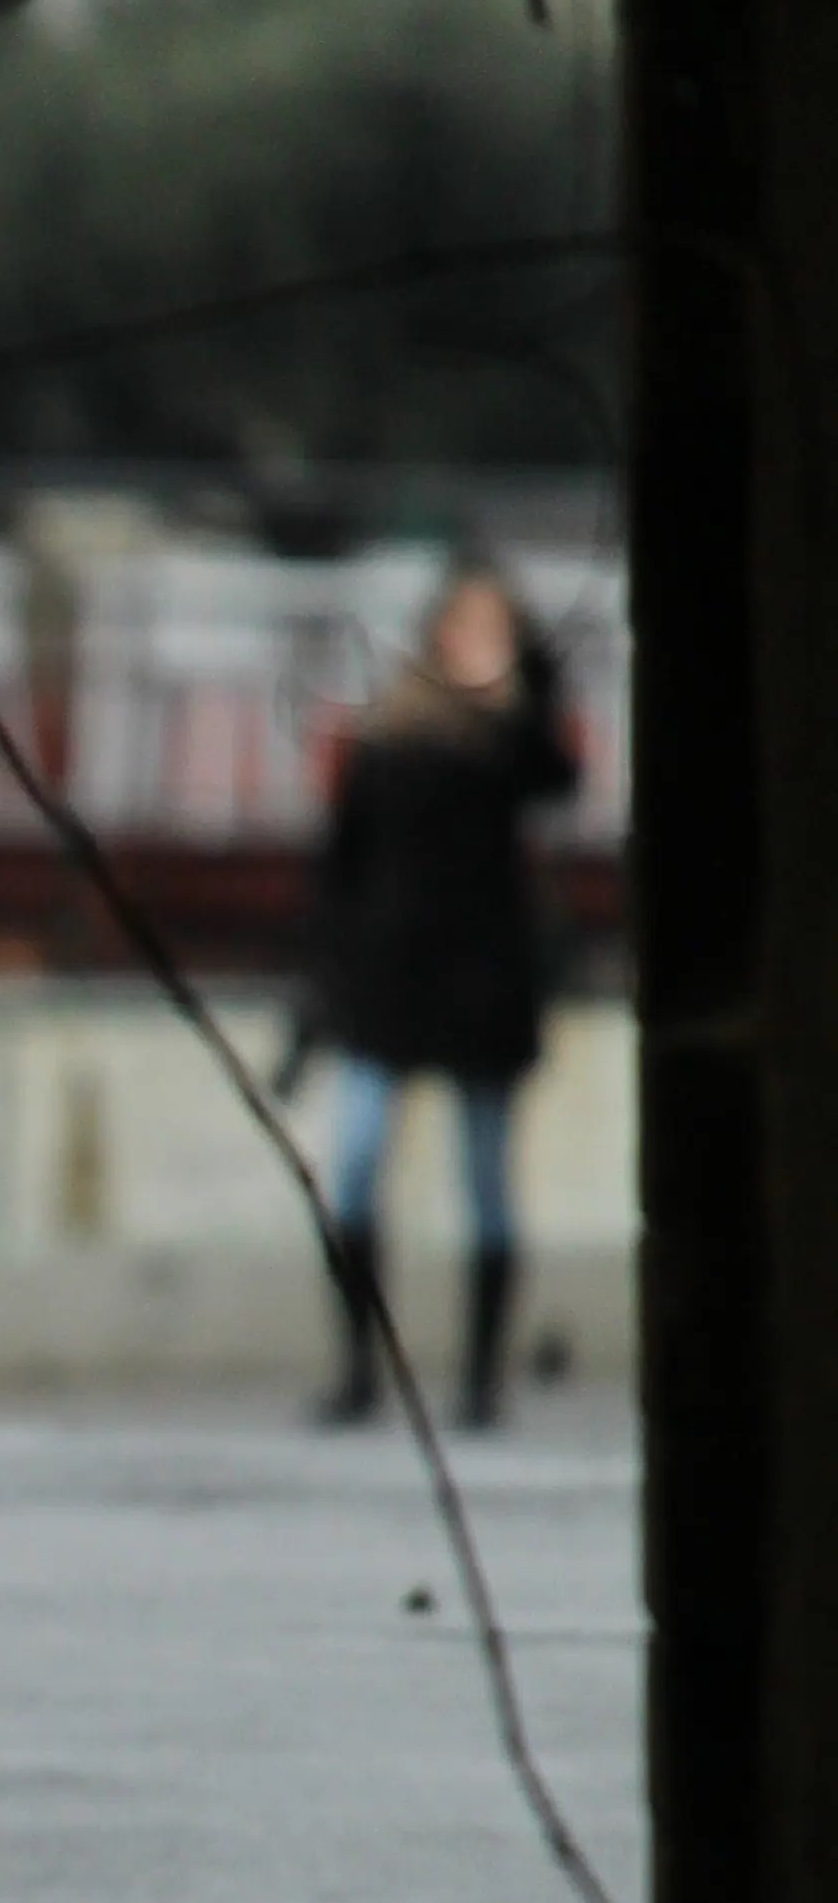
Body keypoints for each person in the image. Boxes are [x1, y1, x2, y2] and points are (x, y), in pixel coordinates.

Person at [302, 561, 579, 1429]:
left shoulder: (510, 740)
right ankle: (359, 1366)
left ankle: (480, 1379)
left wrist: (529, 684)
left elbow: (556, 779)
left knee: (486, 1180)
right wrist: (325, 977)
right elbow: (343, 863)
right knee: (354, 1166)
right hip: (387, 981)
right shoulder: (389, 729)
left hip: (483, 983)